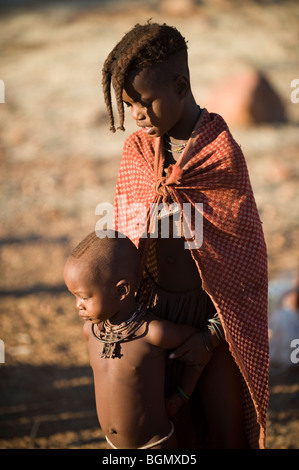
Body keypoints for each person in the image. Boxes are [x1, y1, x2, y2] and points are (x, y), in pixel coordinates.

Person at [101, 21, 269, 449]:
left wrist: (211, 333)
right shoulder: (138, 150)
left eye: (145, 103)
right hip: (155, 314)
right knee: (170, 435)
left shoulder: (219, 153)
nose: (137, 116)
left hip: (214, 318)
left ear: (181, 85)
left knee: (225, 430)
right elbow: (126, 235)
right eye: (128, 105)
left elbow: (243, 259)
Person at [64, 230, 207, 449]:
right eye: (74, 296)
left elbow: (200, 350)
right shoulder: (90, 332)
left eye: (84, 297)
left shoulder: (153, 333)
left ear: (121, 291)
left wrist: (180, 397)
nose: (77, 305)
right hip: (113, 445)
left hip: (155, 445)